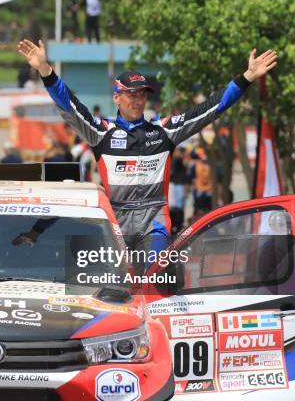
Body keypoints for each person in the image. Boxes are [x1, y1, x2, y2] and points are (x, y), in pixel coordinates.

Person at [17, 38, 277, 274]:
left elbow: (209, 109)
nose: (138, 100)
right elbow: (69, 104)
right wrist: (45, 71)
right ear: (116, 97)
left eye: (142, 94)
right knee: (113, 287)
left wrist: (246, 78)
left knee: (155, 278)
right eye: (132, 94)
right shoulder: (101, 132)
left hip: (153, 220)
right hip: (115, 221)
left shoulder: (164, 131)